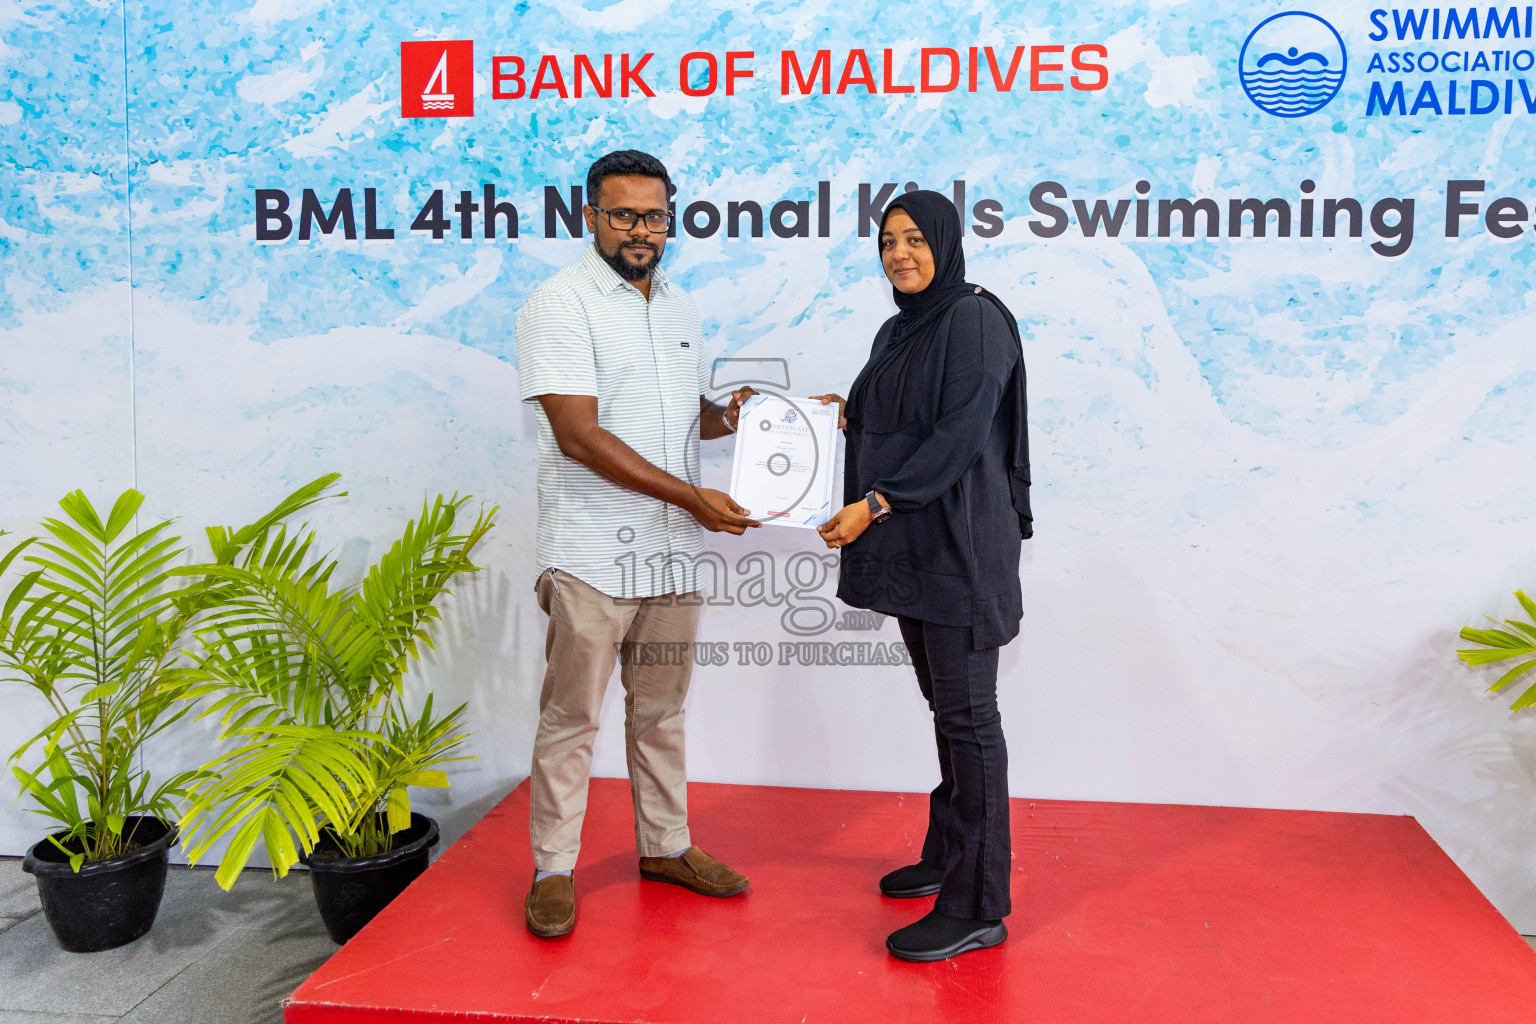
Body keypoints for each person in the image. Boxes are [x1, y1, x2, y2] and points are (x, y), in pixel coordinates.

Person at [514, 149, 761, 939]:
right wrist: (692, 494)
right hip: (590, 554)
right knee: (572, 718)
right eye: (622, 215)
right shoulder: (557, 305)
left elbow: (674, 410)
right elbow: (581, 435)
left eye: (654, 215)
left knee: (662, 712)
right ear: (588, 216)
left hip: (671, 555)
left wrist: (748, 417)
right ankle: (554, 867)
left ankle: (666, 847)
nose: (640, 230)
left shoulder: (677, 306)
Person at [813, 189, 1032, 962]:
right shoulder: (902, 327)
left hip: (961, 554)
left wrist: (874, 503)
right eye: (887, 242)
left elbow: (960, 433)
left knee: (970, 721)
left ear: (946, 241)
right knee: (946, 709)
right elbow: (906, 416)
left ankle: (979, 904)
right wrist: (849, 413)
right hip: (921, 553)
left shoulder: (973, 319)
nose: (899, 254)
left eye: (915, 239)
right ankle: (948, 858)